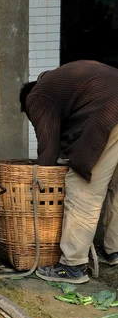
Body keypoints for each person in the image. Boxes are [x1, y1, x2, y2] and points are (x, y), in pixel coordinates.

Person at [20, 60, 118, 284]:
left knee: (84, 189)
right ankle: (114, 251)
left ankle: (73, 266)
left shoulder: (37, 96)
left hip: (111, 115)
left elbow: (48, 146)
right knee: (117, 186)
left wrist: (40, 177)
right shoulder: (69, 80)